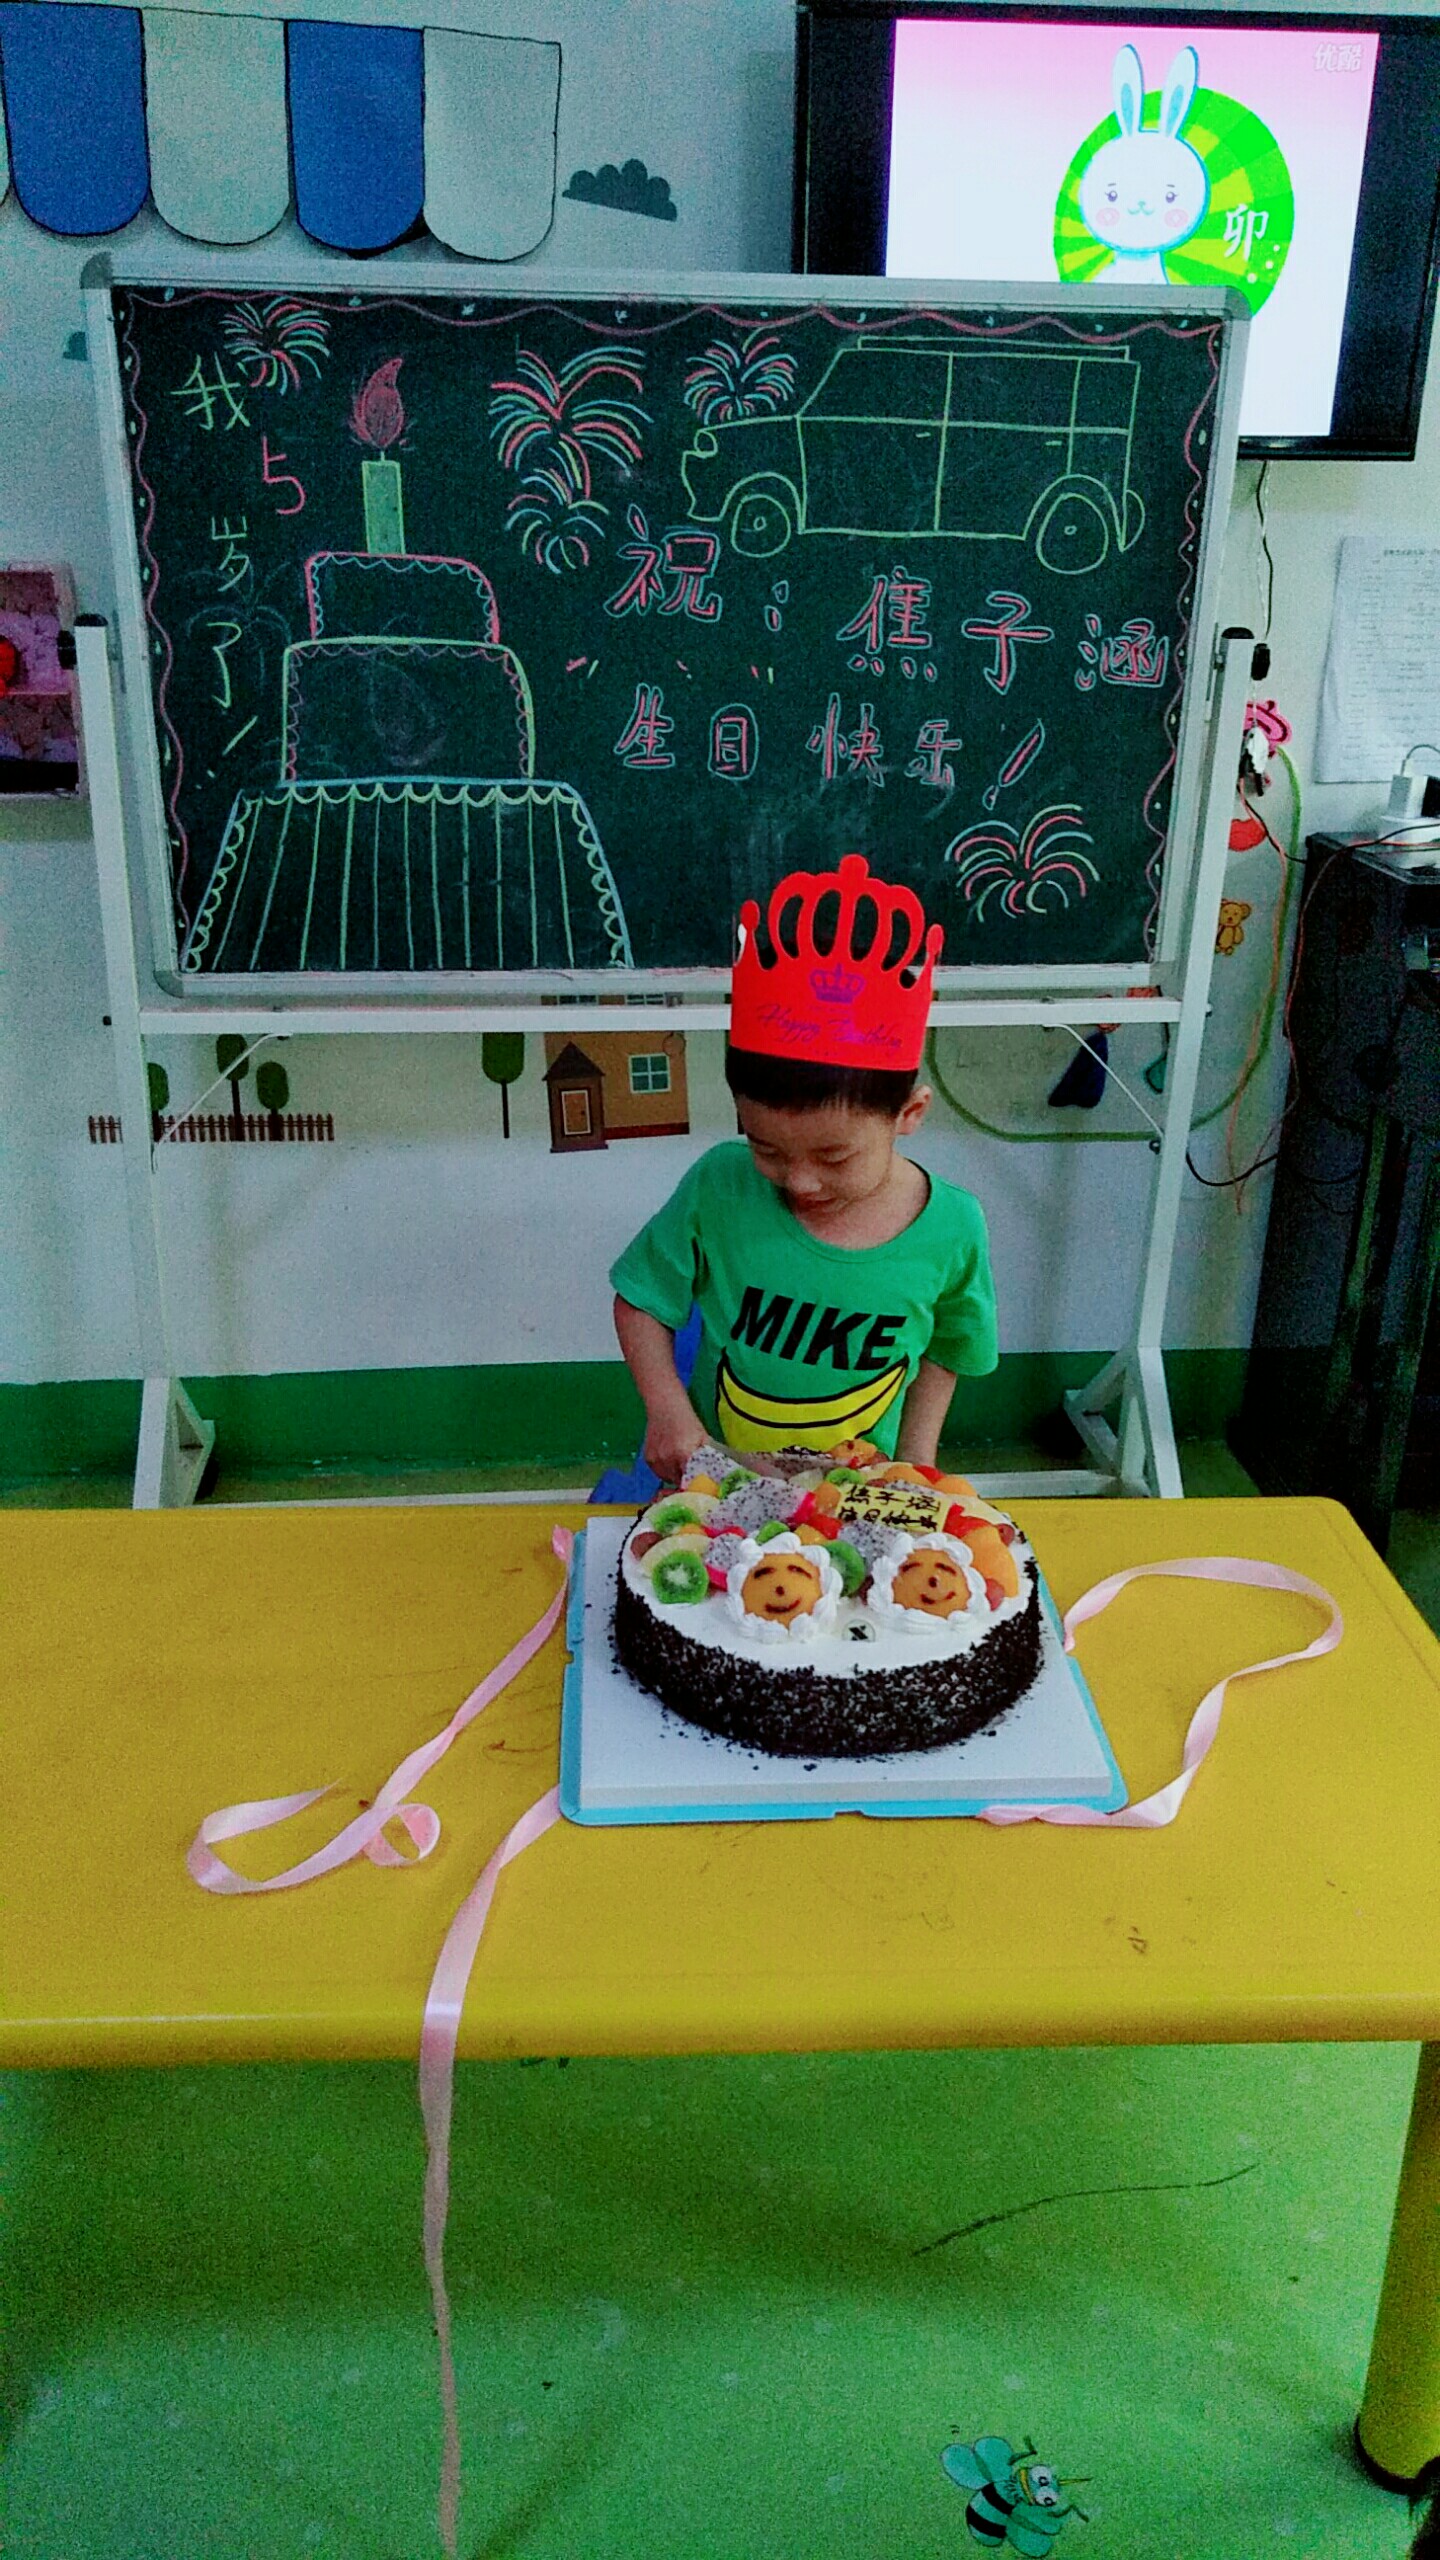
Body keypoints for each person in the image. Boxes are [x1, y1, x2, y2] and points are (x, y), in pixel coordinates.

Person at [611, 854, 997, 1483]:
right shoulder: (719, 1186)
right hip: (719, 1481)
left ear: (909, 1113)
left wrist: (916, 1464)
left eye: (834, 1156)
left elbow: (949, 1349)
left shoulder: (952, 1225)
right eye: (766, 1148)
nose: (799, 1181)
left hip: (857, 1491)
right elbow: (641, 1301)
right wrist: (667, 1411)